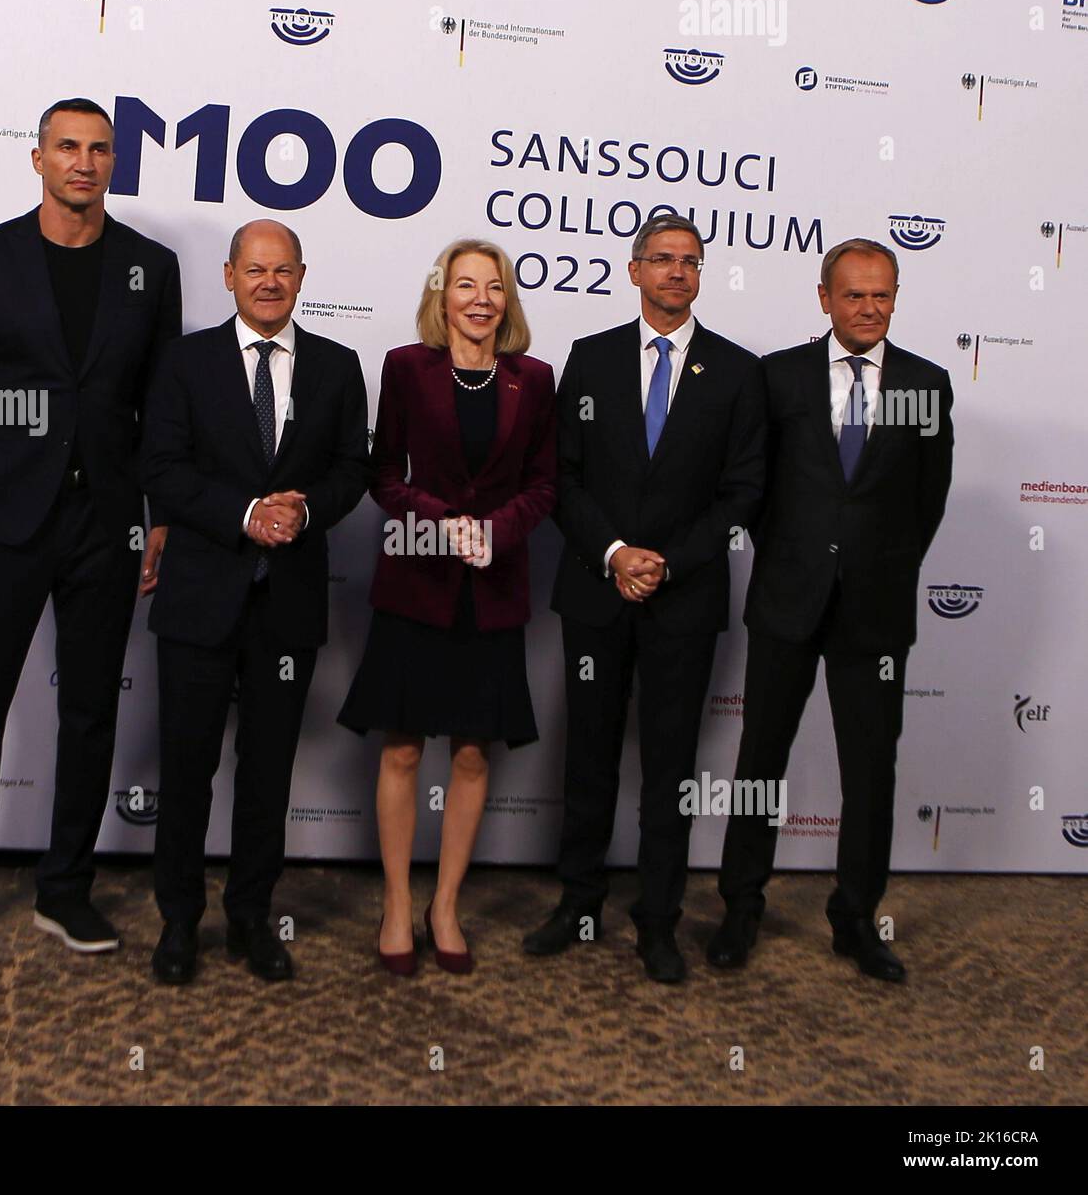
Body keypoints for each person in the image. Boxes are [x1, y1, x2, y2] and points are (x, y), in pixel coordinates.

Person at [0, 98, 182, 958]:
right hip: (1, 526)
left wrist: (160, 517)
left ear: (115, 163)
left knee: (92, 712)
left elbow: (164, 412)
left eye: (100, 149)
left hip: (107, 525)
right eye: (67, 147)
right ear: (36, 159)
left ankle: (66, 889)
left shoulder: (150, 267)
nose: (84, 162)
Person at [523, 214, 766, 983]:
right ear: (633, 272)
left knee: (670, 768)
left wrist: (669, 562)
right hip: (599, 589)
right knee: (589, 756)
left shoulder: (736, 371)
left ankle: (657, 920)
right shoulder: (589, 361)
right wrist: (616, 553)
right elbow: (562, 477)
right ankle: (579, 904)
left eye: (689, 262)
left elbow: (744, 491)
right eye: (661, 260)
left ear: (702, 275)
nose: (676, 273)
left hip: (683, 600)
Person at [707, 238, 953, 982]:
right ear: (824, 299)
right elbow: (752, 485)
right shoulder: (778, 377)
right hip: (787, 600)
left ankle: (855, 919)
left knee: (871, 770)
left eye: (883, 294)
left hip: (875, 616)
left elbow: (926, 501)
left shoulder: (926, 383)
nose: (870, 308)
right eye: (855, 295)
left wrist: (879, 567)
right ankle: (740, 910)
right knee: (759, 763)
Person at [140, 219, 369, 985]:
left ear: (302, 276)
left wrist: (306, 511)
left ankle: (249, 919)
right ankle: (178, 924)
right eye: (254, 269)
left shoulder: (338, 366)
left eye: (283, 270)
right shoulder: (184, 362)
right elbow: (163, 468)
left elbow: (351, 468)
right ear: (230, 275)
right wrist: (245, 514)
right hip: (201, 598)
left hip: (288, 605)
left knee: (266, 773)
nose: (269, 283)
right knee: (187, 770)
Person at [338, 239, 557, 976]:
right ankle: (399, 904)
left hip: (492, 593)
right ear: (443, 294)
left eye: (493, 287)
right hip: (416, 585)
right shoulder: (406, 368)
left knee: (471, 752)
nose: (479, 299)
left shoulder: (536, 378)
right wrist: (439, 520)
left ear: (508, 300)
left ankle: (446, 905)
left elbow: (544, 485)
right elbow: (381, 475)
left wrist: (493, 532)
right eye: (465, 285)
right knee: (402, 747)